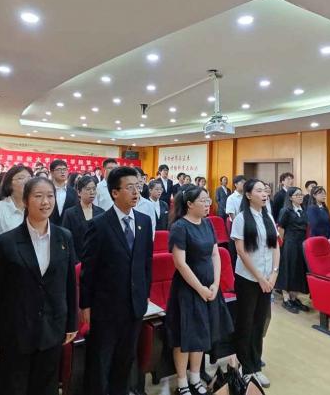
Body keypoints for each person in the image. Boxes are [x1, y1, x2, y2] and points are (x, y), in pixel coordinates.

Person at [0, 177, 77, 395]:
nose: (46, 202)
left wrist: (71, 322)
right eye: (38, 196)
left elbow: (69, 283)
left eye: (50, 196)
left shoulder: (64, 237)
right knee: (14, 387)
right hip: (16, 331)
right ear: (25, 201)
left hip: (52, 329)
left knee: (46, 387)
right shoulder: (7, 241)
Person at [80, 167, 153, 395]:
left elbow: (146, 262)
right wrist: (85, 305)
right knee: (101, 362)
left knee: (125, 359)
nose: (136, 192)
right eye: (129, 187)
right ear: (114, 192)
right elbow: (88, 270)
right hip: (106, 307)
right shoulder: (99, 225)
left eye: (137, 187)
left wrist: (144, 294)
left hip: (134, 306)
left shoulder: (143, 221)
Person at [165, 186, 233, 395]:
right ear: (189, 204)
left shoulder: (207, 223)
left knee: (202, 333)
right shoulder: (180, 227)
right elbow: (180, 263)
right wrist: (201, 289)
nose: (207, 204)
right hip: (188, 289)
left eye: (208, 200)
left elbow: (215, 254)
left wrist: (215, 284)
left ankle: (195, 378)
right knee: (185, 337)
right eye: (203, 201)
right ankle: (182, 383)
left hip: (209, 287)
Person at [231, 179, 279, 389]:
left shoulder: (268, 216)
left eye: (265, 190)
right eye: (259, 191)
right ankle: (247, 368)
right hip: (248, 279)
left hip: (267, 279)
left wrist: (274, 274)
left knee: (260, 323)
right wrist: (260, 277)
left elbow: (275, 247)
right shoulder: (241, 218)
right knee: (246, 323)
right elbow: (241, 252)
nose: (264, 194)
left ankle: (256, 364)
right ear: (249, 195)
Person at [0, 165, 33, 257]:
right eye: (21, 178)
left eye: (29, 178)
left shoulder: (36, 208)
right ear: (9, 184)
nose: (27, 181)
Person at [274, 187, 310, 314]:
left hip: (301, 244)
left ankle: (294, 298)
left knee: (298, 271)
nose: (300, 197)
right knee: (288, 270)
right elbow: (281, 229)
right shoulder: (285, 210)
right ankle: (286, 299)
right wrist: (282, 245)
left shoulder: (303, 210)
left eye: (301, 194)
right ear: (290, 197)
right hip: (289, 244)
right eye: (297, 195)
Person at [61, 176, 104, 261]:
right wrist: (75, 261)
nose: (92, 192)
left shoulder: (101, 212)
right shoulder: (70, 213)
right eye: (88, 189)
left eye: (94, 189)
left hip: (97, 260)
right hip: (76, 260)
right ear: (79, 192)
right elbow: (65, 240)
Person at [49, 159, 78, 225]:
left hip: (67, 229)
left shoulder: (73, 192)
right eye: (59, 169)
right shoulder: (46, 191)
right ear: (52, 173)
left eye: (65, 169)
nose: (62, 172)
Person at [132, 168, 157, 233]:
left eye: (141, 179)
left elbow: (152, 227)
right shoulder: (123, 204)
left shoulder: (149, 205)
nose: (139, 181)